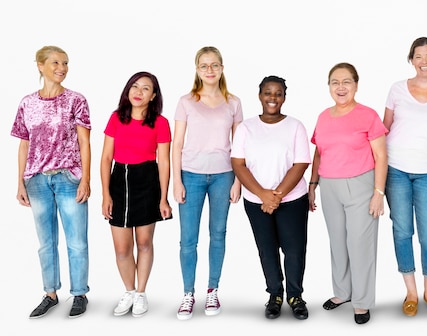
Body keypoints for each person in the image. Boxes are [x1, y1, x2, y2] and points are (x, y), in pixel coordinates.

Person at [12, 45, 91, 319]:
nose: (62, 68)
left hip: (69, 177)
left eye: (66, 63)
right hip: (36, 181)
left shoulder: (76, 100)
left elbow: (84, 141)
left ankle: (79, 293)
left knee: (77, 241)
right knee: (46, 242)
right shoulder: (27, 103)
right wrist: (21, 182)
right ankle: (50, 293)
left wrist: (85, 180)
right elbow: (24, 144)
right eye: (56, 62)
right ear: (40, 65)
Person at [309, 63, 387, 325]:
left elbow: (381, 156)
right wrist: (313, 185)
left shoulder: (368, 115)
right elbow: (319, 152)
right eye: (335, 82)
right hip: (329, 186)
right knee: (338, 242)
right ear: (329, 86)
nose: (340, 87)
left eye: (346, 82)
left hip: (361, 186)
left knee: (360, 244)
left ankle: (362, 302)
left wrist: (379, 192)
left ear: (356, 84)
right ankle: (343, 292)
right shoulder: (322, 116)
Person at [382, 37, 427, 317]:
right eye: (418, 56)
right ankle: (411, 292)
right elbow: (383, 129)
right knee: (402, 231)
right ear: (411, 60)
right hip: (396, 170)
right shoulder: (397, 90)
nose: (424, 61)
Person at [231, 76, 311, 320]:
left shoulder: (295, 126)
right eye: (268, 93)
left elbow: (301, 163)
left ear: (284, 97)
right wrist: (263, 194)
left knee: (294, 250)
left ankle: (295, 295)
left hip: (293, 200)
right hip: (257, 202)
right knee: (267, 250)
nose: (272, 98)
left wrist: (276, 196)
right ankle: (275, 294)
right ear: (260, 96)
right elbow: (238, 163)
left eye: (278, 93)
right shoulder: (246, 128)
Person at [172, 46, 243, 320]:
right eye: (204, 66)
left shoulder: (233, 102)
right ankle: (188, 293)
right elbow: (176, 144)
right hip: (191, 174)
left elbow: (239, 146)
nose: (210, 70)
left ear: (222, 68)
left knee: (218, 234)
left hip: (223, 176)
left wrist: (237, 181)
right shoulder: (186, 101)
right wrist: (176, 181)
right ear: (197, 69)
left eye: (214, 65)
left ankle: (212, 289)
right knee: (188, 240)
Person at [100, 71, 173, 318]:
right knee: (122, 248)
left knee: (144, 242)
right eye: (135, 86)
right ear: (128, 90)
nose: (138, 92)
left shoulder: (160, 123)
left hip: (147, 181)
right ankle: (129, 291)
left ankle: (141, 293)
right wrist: (105, 195)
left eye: (145, 89)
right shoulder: (116, 118)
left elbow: (164, 162)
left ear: (153, 96)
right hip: (119, 180)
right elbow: (106, 158)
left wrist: (163, 197)